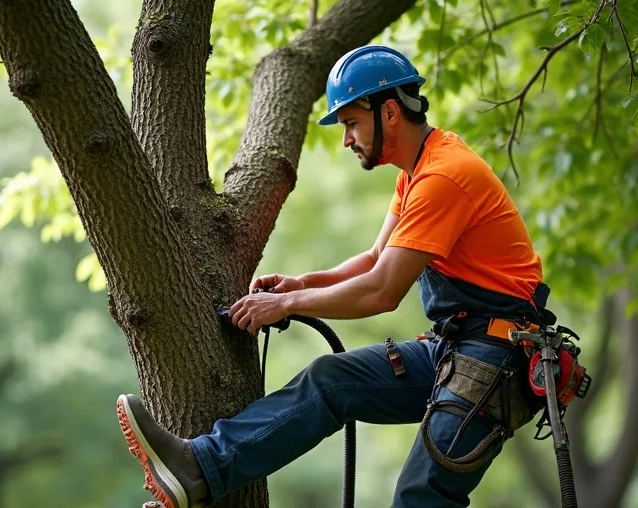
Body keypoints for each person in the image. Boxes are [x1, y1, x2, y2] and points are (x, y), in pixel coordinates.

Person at [116, 44, 556, 508]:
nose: (346, 139)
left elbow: (382, 290)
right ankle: (200, 469)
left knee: (421, 495)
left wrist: (285, 305)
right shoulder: (417, 172)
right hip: (456, 348)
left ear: (388, 112)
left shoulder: (444, 177)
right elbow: (373, 259)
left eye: (350, 122)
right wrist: (300, 284)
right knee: (331, 381)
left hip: (496, 358)